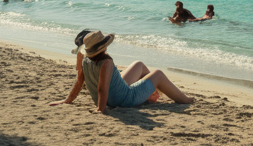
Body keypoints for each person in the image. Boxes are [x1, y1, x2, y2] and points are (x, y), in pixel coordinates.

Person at [50, 30, 193, 113]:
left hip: (114, 94)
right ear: (104, 47)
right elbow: (102, 88)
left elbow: (79, 81)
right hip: (123, 99)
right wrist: (100, 109)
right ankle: (185, 100)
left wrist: (67, 100)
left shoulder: (85, 60)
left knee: (139, 64)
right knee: (158, 74)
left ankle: (150, 94)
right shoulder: (106, 61)